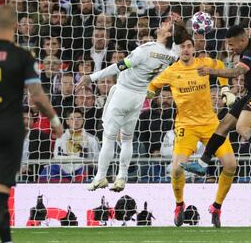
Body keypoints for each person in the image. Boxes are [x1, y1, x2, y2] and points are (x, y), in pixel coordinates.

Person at [77, 21, 189, 192]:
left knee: (109, 137)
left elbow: (119, 66)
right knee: (127, 139)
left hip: (123, 93)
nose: (160, 25)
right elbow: (176, 40)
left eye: (165, 26)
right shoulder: (172, 54)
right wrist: (177, 26)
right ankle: (122, 177)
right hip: (139, 97)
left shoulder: (145, 50)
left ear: (167, 35)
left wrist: (91, 77)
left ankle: (100, 177)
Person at [0, 4, 63, 243]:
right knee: (0, 190)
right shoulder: (22, 56)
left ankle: (7, 242)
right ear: (17, 26)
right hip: (9, 129)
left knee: (0, 187)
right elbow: (37, 96)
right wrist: (53, 118)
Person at [147, 38, 236, 228]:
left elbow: (220, 65)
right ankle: (179, 205)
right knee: (177, 168)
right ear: (177, 50)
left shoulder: (204, 63)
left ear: (194, 49)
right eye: (182, 47)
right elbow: (153, 85)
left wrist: (226, 88)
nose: (186, 50)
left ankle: (216, 207)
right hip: (186, 126)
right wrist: (149, 94)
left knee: (230, 165)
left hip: (210, 124)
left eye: (189, 46)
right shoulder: (171, 72)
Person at [181, 25, 251, 176]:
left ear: (242, 40)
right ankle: (202, 164)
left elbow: (237, 72)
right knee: (223, 126)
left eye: (232, 44)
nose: (230, 48)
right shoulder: (247, 49)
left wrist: (210, 71)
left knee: (242, 127)